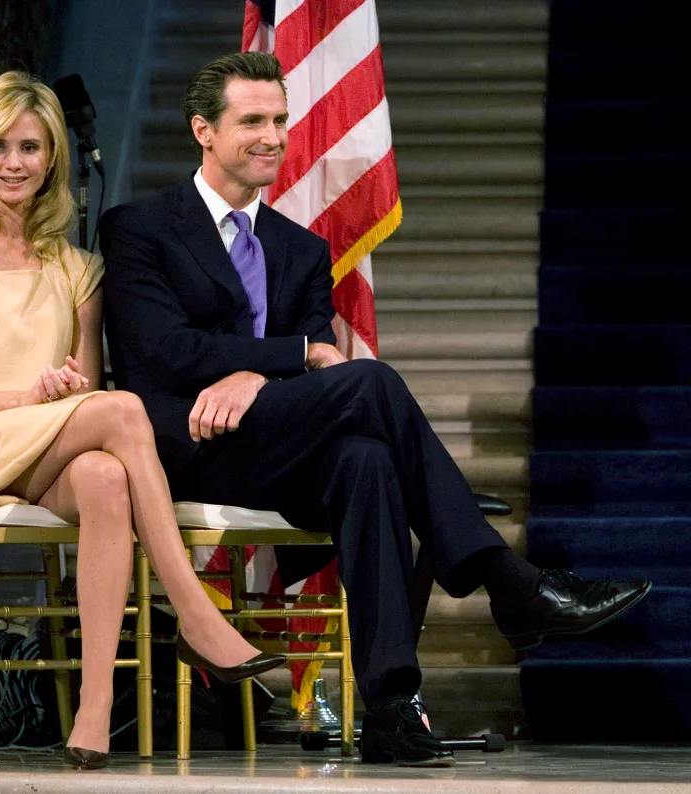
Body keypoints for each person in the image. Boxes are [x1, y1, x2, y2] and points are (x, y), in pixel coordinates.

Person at [99, 52, 652, 767]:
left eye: (280, 120)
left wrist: (255, 375)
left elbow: (311, 369)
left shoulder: (302, 250)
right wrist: (292, 355)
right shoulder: (140, 227)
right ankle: (509, 582)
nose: (273, 136)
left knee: (367, 460)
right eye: (252, 121)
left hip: (274, 450)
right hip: (182, 449)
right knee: (370, 384)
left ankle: (391, 707)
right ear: (203, 129)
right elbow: (167, 351)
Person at [0, 71, 284, 770]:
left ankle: (95, 705)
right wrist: (19, 398)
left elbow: (86, 389)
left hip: (48, 447)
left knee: (107, 475)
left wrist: (59, 393)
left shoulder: (79, 269)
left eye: (29, 147)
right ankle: (195, 612)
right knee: (123, 411)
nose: (13, 163)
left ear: (53, 156)